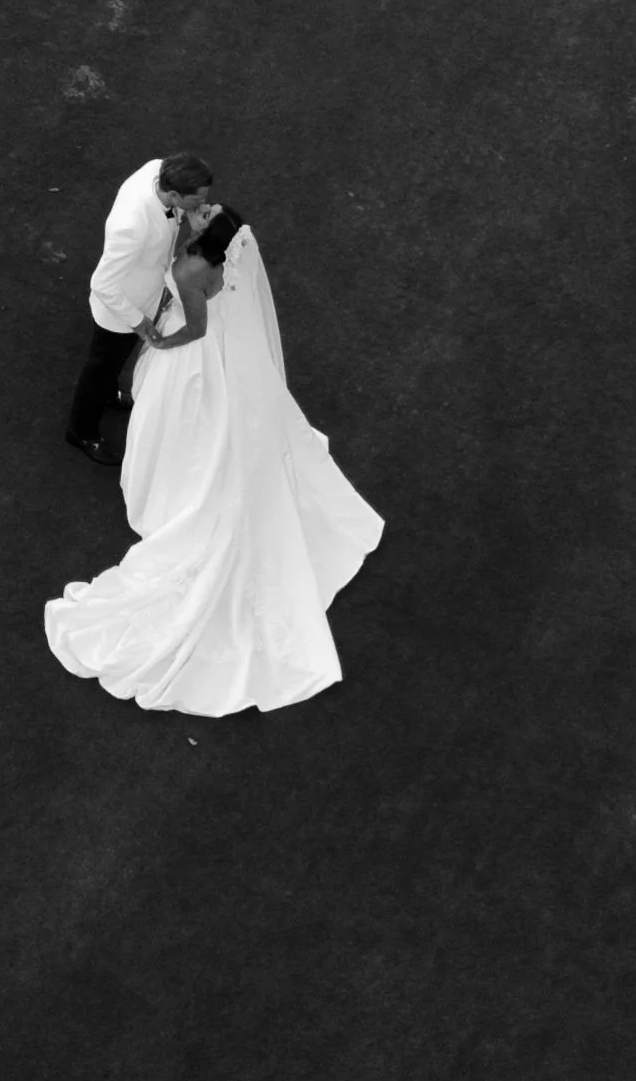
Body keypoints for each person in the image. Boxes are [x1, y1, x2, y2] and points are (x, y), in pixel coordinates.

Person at [45, 209, 384, 715]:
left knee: (177, 418)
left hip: (188, 350)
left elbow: (197, 329)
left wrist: (158, 341)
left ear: (209, 233)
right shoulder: (223, 254)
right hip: (203, 336)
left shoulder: (190, 271)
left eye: (204, 213)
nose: (197, 211)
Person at [64, 151, 217, 467]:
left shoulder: (157, 170)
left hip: (145, 291)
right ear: (173, 193)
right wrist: (138, 322)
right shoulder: (131, 226)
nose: (204, 203)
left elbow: (169, 219)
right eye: (198, 198)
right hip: (121, 311)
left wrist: (188, 218)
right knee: (101, 367)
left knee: (113, 363)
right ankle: (82, 430)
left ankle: (107, 395)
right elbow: (103, 284)